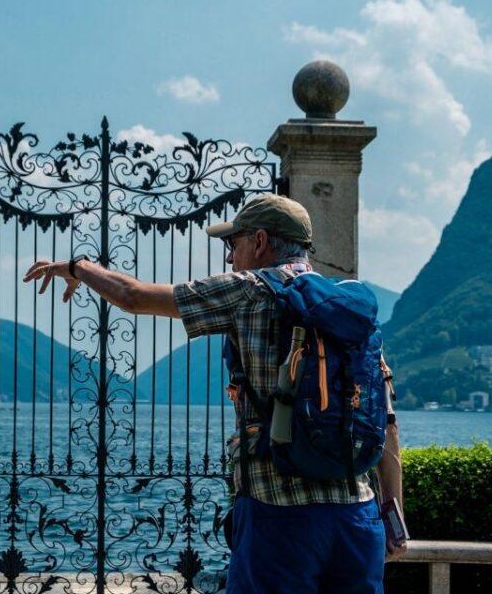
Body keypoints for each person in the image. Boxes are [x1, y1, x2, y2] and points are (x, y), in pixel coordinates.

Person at [23, 194, 406, 593]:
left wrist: (78, 267)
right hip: (358, 516)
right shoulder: (350, 308)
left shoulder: (249, 291)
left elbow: (133, 296)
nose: (229, 258)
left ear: (259, 241)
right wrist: (391, 515)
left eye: (233, 244)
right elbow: (387, 422)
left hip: (279, 513)